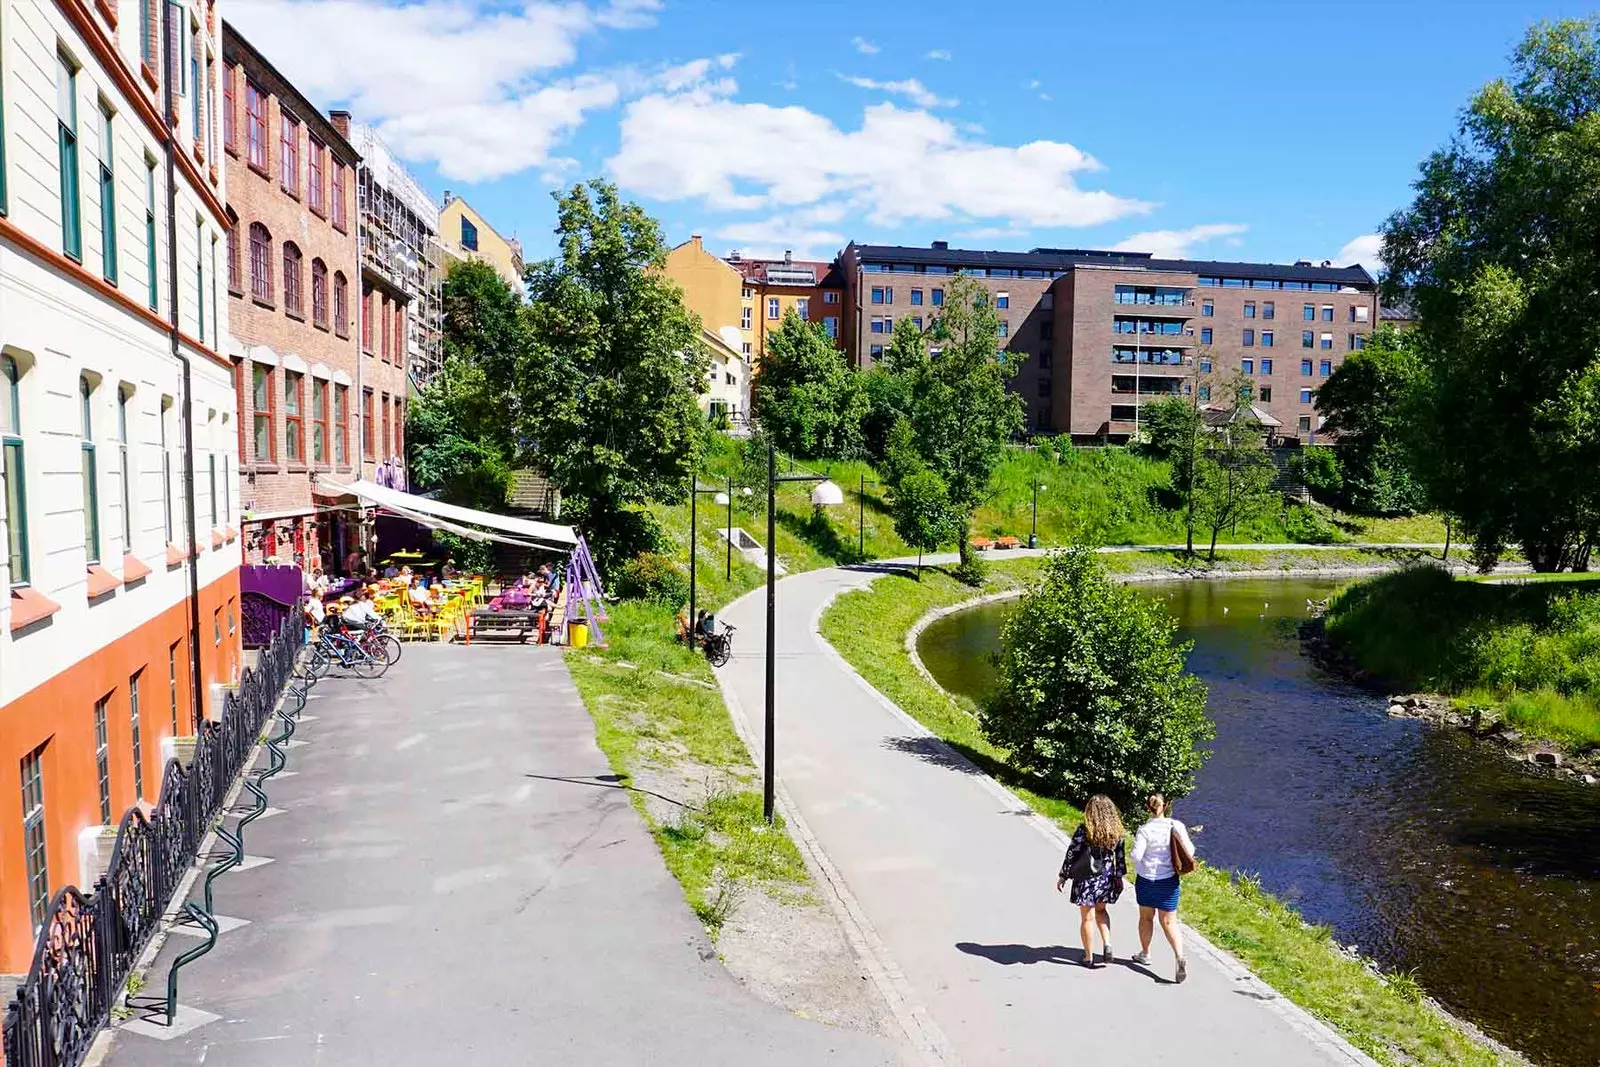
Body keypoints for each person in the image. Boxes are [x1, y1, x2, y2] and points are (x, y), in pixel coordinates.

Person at [1130, 792, 1196, 983]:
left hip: (1146, 880)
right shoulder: (1176, 826)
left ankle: (1145, 953)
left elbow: (1136, 856)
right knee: (1169, 922)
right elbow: (1190, 851)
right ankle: (1179, 956)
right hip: (1169, 881)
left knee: (1146, 918)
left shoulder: (1144, 830)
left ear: (1147, 808)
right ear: (1165, 806)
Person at [1056, 794, 1127, 968]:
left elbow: (1072, 853)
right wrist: (1118, 877)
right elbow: (1120, 858)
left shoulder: (1084, 830)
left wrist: (1064, 875)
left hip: (1087, 878)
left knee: (1087, 918)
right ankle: (1107, 944)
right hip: (1106, 877)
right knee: (1102, 912)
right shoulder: (1116, 833)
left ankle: (1088, 957)